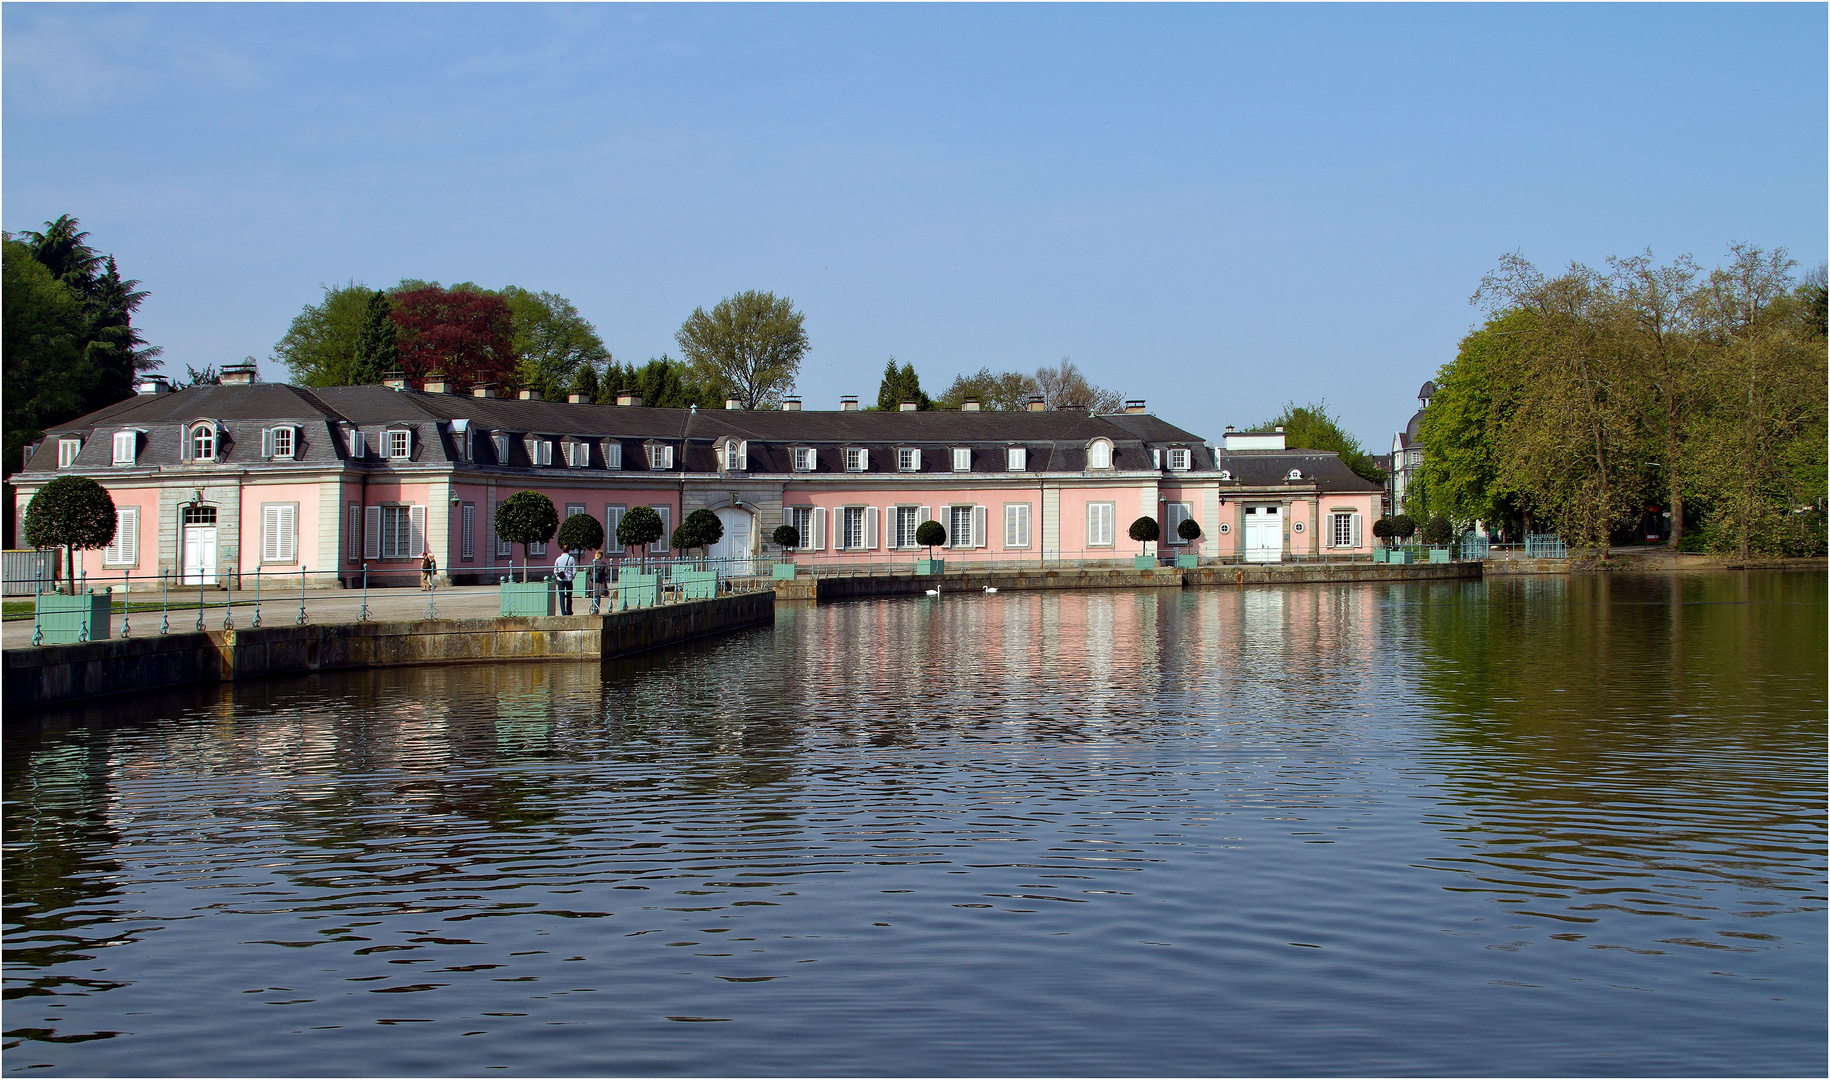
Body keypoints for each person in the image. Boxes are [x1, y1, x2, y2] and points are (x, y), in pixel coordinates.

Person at [553, 548, 578, 615]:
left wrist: (558, 577)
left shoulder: (558, 559)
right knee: (569, 596)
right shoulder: (571, 558)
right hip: (569, 579)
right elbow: (575, 569)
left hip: (560, 580)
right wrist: (572, 576)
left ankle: (563, 612)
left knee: (561, 597)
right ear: (568, 550)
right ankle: (569, 611)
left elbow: (555, 570)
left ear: (562, 550)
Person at [589, 548, 609, 615]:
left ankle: (593, 608)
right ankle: (596, 610)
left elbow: (587, 571)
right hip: (600, 583)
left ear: (597, 555)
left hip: (592, 583)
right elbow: (606, 573)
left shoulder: (591, 563)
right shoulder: (603, 564)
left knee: (593, 596)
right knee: (598, 597)